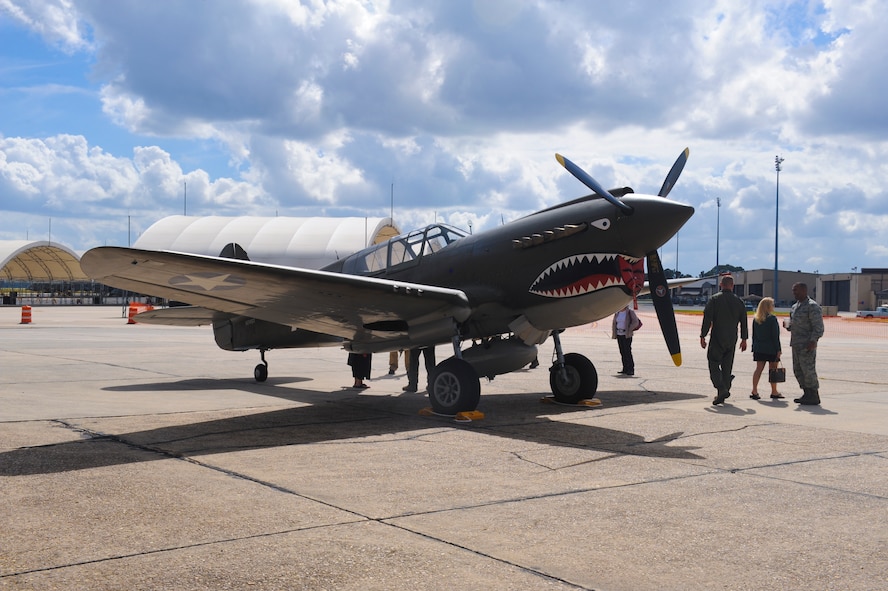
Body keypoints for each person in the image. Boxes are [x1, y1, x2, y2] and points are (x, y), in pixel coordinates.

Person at [700, 275, 748, 405]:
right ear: (732, 286)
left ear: (721, 285)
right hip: (732, 338)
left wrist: (702, 336)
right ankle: (724, 387)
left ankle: (721, 388)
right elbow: (744, 322)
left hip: (717, 337)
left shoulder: (714, 299)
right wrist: (744, 339)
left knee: (713, 362)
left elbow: (707, 319)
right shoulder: (739, 302)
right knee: (727, 366)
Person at [784, 282, 824, 405]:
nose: (794, 293)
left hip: (807, 345)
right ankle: (806, 392)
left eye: (796, 290)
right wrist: (788, 326)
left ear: (804, 291)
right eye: (793, 290)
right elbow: (794, 323)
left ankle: (813, 394)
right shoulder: (795, 306)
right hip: (796, 344)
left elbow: (818, 327)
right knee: (798, 370)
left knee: (808, 370)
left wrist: (813, 340)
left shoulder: (812, 306)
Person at [750, 297, 783, 400]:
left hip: (759, 347)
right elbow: (775, 336)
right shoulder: (772, 319)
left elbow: (754, 335)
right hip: (771, 348)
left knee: (758, 369)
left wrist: (753, 347)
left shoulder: (756, 319)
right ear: (768, 307)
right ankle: (774, 391)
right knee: (773, 369)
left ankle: (754, 390)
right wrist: (778, 349)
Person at [611, 304, 641, 376]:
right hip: (619, 334)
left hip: (626, 335)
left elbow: (635, 322)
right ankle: (625, 368)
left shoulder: (630, 312)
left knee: (627, 352)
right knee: (622, 352)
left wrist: (629, 329)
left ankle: (631, 369)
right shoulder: (617, 313)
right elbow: (615, 323)